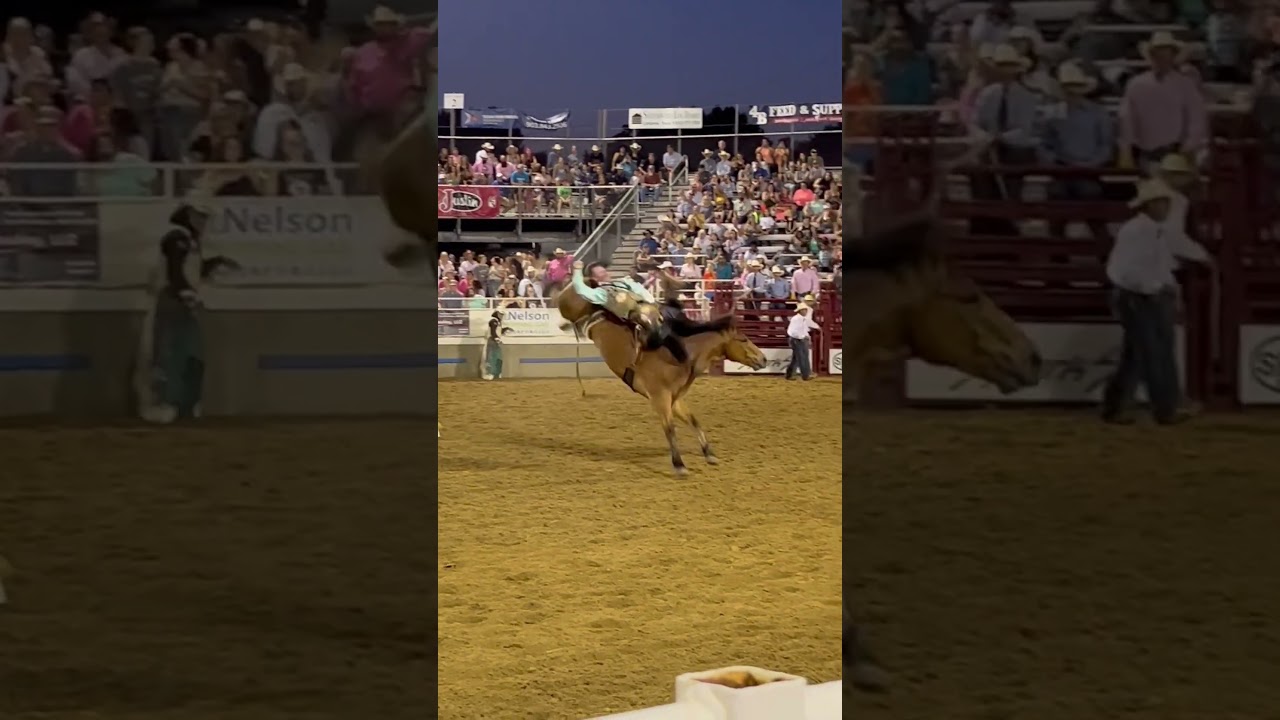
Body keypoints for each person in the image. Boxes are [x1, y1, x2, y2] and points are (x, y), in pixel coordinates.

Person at [1102, 179, 1212, 425]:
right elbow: (1125, 270)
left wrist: (1166, 289)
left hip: (1145, 295)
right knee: (1154, 353)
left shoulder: (1153, 230)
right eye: (1161, 202)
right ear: (1149, 205)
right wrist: (1155, 289)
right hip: (1138, 296)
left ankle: (1116, 406)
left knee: (1139, 355)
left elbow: (1155, 266)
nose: (1165, 207)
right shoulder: (1138, 230)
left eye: (1166, 202)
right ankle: (1165, 408)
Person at [134, 197, 240, 423]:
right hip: (171, 300)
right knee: (168, 353)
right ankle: (164, 404)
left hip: (183, 301)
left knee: (191, 355)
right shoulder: (177, 237)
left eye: (205, 217)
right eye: (199, 216)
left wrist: (216, 262)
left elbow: (188, 269)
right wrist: (185, 292)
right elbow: (175, 269)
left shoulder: (189, 241)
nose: (203, 221)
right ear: (188, 214)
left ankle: (184, 405)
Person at [785, 301, 821, 380]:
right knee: (802, 357)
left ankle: (790, 374)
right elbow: (792, 331)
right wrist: (801, 337)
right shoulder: (796, 319)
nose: (805, 311)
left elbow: (804, 329)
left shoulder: (802, 319)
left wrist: (806, 337)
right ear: (800, 311)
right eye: (804, 310)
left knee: (797, 358)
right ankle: (805, 375)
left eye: (806, 310)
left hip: (799, 339)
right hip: (797, 339)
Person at [481, 310, 511, 380]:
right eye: (500, 314)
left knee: (498, 358)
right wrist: (496, 338)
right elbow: (493, 332)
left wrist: (505, 329)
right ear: (497, 314)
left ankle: (496, 373)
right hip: (492, 340)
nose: (502, 316)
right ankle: (489, 373)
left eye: (502, 314)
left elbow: (497, 331)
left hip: (496, 341)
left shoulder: (498, 322)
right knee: (491, 357)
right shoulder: (493, 321)